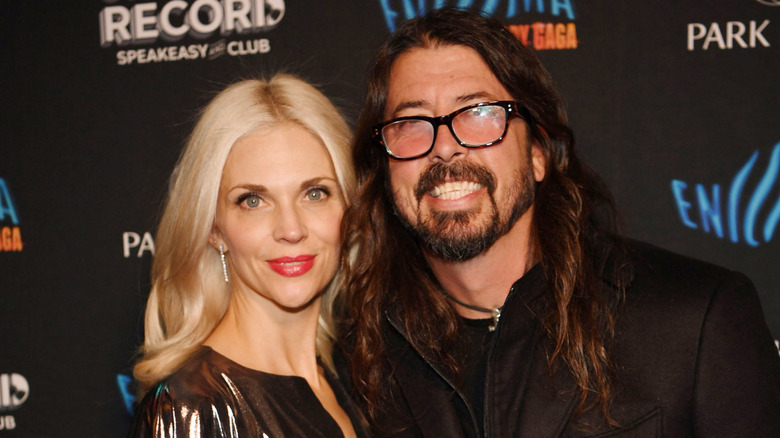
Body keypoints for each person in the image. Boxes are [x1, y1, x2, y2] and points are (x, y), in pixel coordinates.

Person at [337, 8, 780, 437]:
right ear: (385, 165)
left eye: (479, 113)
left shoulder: (693, 322)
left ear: (537, 153)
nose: (445, 148)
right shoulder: (358, 357)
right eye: (411, 123)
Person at [130, 74, 368, 437]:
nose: (290, 229)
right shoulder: (190, 409)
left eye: (315, 193)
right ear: (214, 229)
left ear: (349, 209)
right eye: (253, 200)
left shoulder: (354, 385)